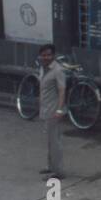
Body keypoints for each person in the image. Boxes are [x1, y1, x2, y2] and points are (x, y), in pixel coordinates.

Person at [37, 44, 66, 179]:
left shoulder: (57, 70)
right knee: (49, 140)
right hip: (46, 109)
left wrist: (59, 109)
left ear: (53, 55)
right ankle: (50, 166)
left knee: (55, 141)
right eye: (44, 55)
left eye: (49, 55)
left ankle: (58, 171)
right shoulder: (42, 68)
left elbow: (61, 90)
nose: (46, 57)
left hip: (54, 110)